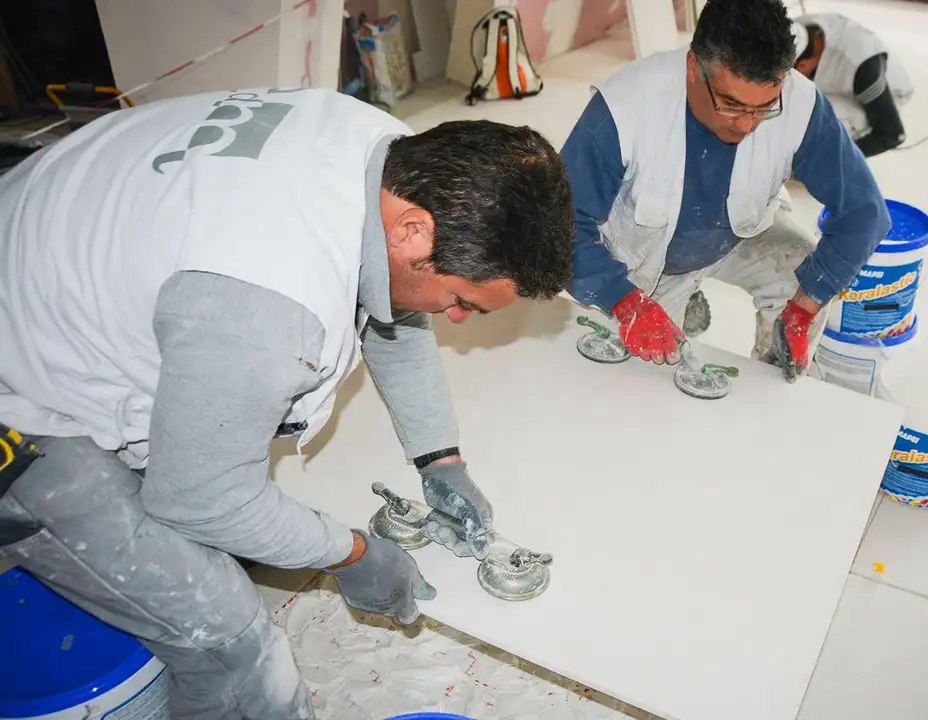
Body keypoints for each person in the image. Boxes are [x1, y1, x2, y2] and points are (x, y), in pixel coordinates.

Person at [0, 88, 574, 718]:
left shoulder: (383, 152)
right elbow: (199, 498)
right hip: (18, 394)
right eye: (463, 298)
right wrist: (351, 554)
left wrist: (439, 459)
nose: (459, 319)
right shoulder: (265, 307)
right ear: (414, 229)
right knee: (231, 641)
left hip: (44, 252)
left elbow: (392, 307)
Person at [560, 0, 889, 380]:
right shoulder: (625, 106)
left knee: (798, 265)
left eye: (764, 107)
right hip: (644, 258)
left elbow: (865, 212)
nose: (748, 126)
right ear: (692, 68)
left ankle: (771, 389)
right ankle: (681, 294)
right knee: (646, 380)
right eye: (731, 104)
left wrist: (805, 305)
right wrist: (623, 300)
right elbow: (563, 224)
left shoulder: (800, 103)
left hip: (740, 231)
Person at [793, 13, 914, 159]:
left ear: (802, 65)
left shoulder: (861, 66)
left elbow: (892, 133)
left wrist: (828, 159)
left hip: (882, 94)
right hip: (833, 78)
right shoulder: (797, 28)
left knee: (819, 127)